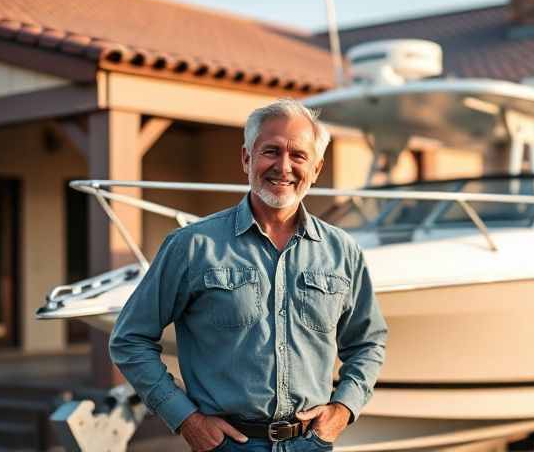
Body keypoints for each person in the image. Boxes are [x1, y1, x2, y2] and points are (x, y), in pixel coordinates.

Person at [109, 98, 388, 451]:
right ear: (246, 158)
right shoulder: (192, 246)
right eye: (271, 151)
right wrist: (185, 419)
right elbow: (129, 339)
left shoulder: (342, 251)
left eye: (299, 156)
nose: (284, 167)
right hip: (227, 445)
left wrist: (344, 408)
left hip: (310, 445)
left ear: (316, 169)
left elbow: (368, 341)